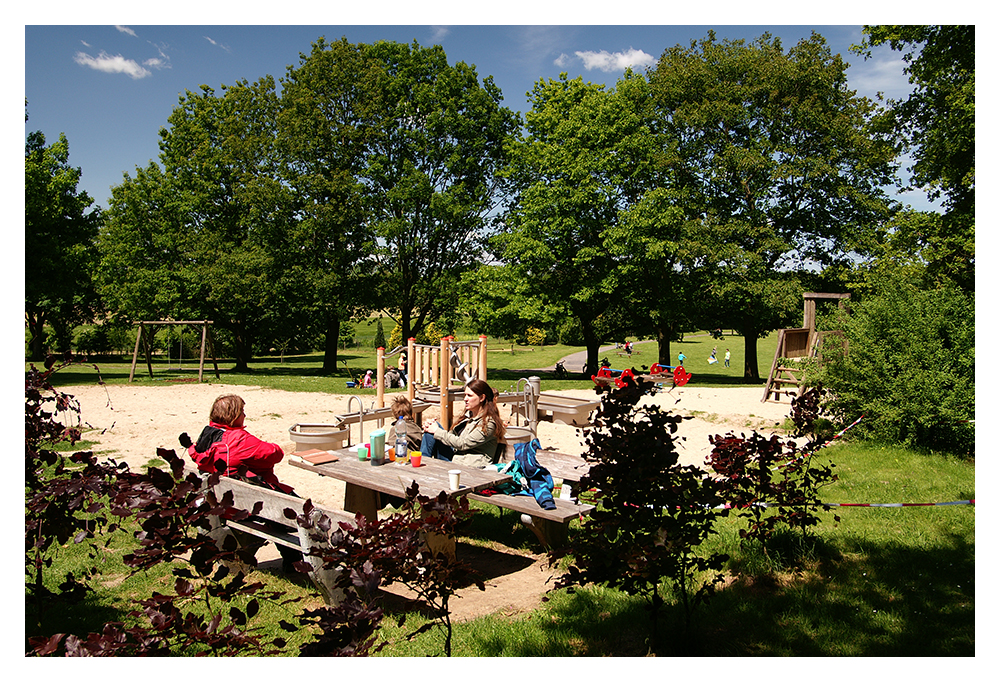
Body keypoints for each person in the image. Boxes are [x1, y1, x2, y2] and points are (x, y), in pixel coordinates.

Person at [183, 394, 300, 570]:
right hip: (243, 506)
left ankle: (293, 559)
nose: (244, 416)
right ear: (234, 415)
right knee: (287, 505)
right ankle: (294, 560)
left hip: (220, 503)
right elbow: (274, 454)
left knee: (275, 503)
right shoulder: (238, 440)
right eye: (242, 412)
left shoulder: (207, 436)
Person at [421, 378, 506, 468]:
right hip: (456, 458)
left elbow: (463, 443)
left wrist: (437, 431)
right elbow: (452, 437)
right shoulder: (468, 417)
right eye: (465, 395)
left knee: (435, 430)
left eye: (469, 395)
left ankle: (421, 468)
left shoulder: (489, 423)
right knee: (431, 429)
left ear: (482, 398)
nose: (465, 399)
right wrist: (432, 427)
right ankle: (421, 464)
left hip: (469, 467)